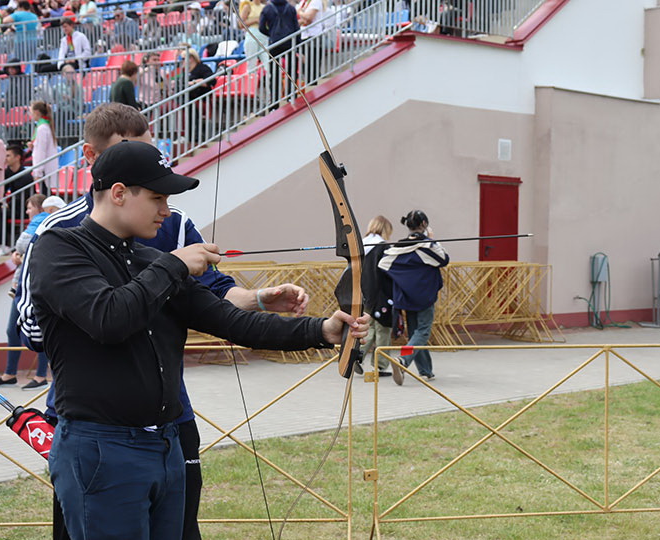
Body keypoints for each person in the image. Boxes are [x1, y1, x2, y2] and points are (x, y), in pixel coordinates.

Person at [30, 139, 367, 540]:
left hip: (166, 444)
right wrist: (174, 264)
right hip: (102, 448)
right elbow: (109, 318)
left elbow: (233, 322)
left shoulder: (151, 263)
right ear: (118, 193)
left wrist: (321, 330)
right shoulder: (59, 248)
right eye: (157, 198)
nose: (165, 211)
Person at [380, 210, 449, 385]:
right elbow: (444, 259)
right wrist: (432, 239)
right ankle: (403, 359)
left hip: (405, 296)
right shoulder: (426, 246)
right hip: (423, 296)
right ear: (424, 224)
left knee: (415, 333)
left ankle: (426, 371)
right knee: (423, 332)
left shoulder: (396, 248)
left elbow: (383, 265)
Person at [0, 194, 54, 390]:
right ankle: (10, 373)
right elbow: (23, 249)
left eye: (30, 208)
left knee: (39, 330)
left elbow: (29, 247)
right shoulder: (35, 226)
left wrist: (20, 254)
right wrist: (17, 255)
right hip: (21, 285)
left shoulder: (45, 224)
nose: (27, 211)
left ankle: (39, 376)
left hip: (34, 285)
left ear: (39, 208)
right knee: (12, 329)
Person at [357, 215, 394, 377]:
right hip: (381, 295)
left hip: (363, 294)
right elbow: (388, 273)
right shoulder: (383, 248)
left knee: (368, 329)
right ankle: (380, 366)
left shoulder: (360, 246)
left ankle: (356, 358)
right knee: (383, 331)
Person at [259, 0, 299, 102]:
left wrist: (271, 34)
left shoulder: (267, 9)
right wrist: (298, 45)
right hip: (289, 43)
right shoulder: (291, 8)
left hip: (274, 44)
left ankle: (274, 101)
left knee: (274, 74)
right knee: (292, 71)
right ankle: (291, 96)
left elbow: (261, 27)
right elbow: (296, 28)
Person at [28, 100, 58, 193]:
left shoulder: (42, 128)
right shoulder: (44, 126)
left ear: (36, 112)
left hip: (44, 170)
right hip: (45, 169)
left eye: (31, 112)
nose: (30, 115)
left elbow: (41, 152)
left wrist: (38, 172)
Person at [239, 0, 268, 73]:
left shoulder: (265, 7)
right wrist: (255, 20)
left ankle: (269, 82)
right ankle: (251, 81)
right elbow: (241, 24)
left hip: (263, 35)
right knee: (251, 63)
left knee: (267, 62)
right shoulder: (248, 6)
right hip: (252, 34)